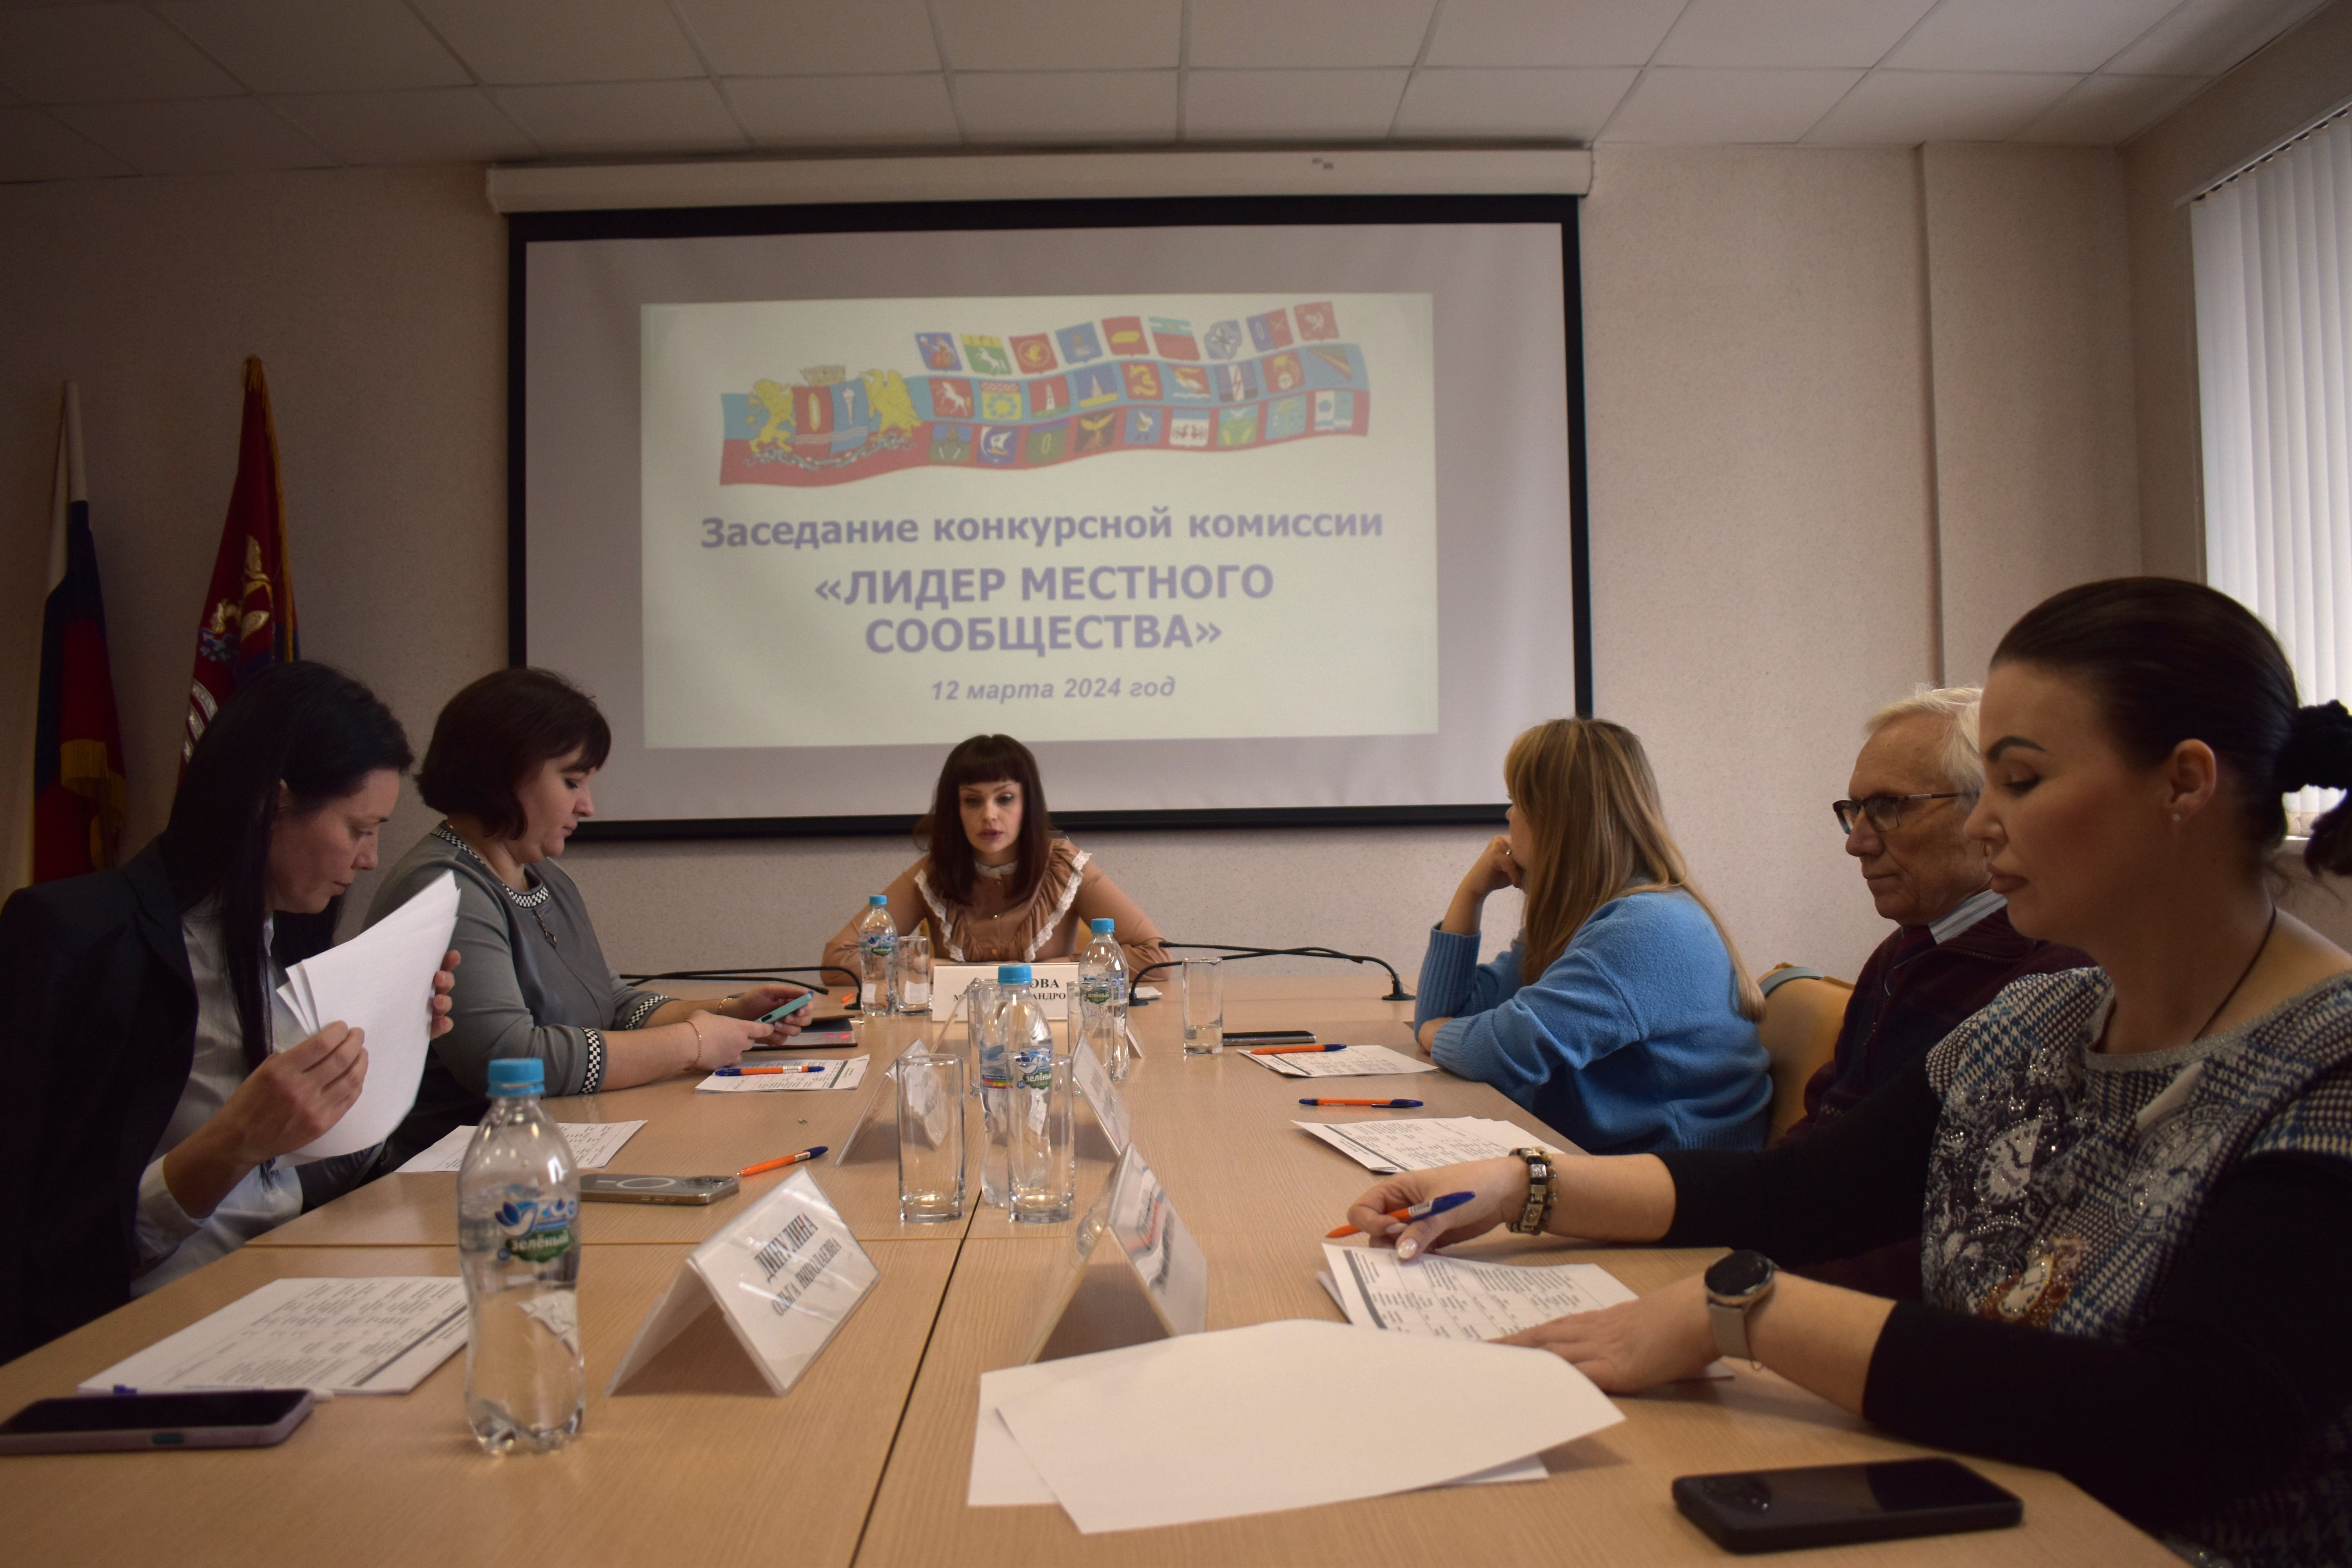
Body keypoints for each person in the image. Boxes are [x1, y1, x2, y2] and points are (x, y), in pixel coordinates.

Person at [1347, 579, 2352, 1566]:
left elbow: (2188, 1422)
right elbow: (1799, 1189)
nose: (1983, 823)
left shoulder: (2329, 1066)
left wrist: (1748, 1310)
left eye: (2022, 780)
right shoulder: (2036, 1019)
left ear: (2184, 783)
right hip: (1983, 1497)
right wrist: (1524, 1183)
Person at [0, 662, 458, 1359]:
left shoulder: (286, 944)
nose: (370, 860)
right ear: (271, 804)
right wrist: (235, 1141)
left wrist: (393, 1053)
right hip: (150, 1331)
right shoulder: (78, 938)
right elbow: (50, 1243)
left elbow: (289, 1186)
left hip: (287, 1287)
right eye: (359, 829)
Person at [376, 669, 802, 1167]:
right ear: (503, 770)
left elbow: (611, 1005)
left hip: (552, 1146)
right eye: (572, 781)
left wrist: (731, 1011)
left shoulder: (545, 876)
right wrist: (693, 1043)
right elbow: (512, 1057)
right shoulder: (444, 888)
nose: (588, 806)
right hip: (463, 1175)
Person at [1784, 688, 2089, 1296]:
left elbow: (1957, 1238)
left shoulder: (2053, 981)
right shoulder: (1903, 950)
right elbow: (1820, 1138)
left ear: (1989, 812)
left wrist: (1775, 1289)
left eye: (1888, 807)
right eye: (1855, 810)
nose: (1856, 842)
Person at [1413, 717, 1771, 1153]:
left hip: (1675, 1174)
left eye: (1516, 801)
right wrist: (1471, 894)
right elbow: (1446, 1015)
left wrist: (1437, 1034)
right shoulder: (1586, 915)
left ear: (1556, 820)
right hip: (1617, 1158)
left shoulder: (1644, 929)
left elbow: (1500, 1050)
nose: (1508, 816)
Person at [822, 733, 1167, 985]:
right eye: (973, 801)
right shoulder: (933, 873)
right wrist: (915, 966)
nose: (989, 815)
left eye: (1005, 799)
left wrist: (1058, 969)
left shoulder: (1064, 866)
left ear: (1028, 805)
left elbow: (1156, 958)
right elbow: (838, 961)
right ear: (955, 810)